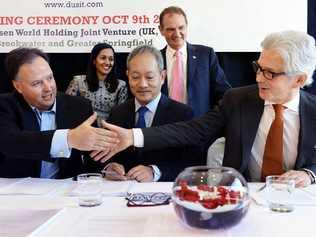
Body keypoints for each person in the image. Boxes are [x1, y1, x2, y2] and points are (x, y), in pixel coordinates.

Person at [97, 31, 316, 187]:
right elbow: (192, 131)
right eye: (258, 68)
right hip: (241, 200)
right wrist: (134, 136)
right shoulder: (237, 100)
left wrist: (310, 174)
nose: (258, 78)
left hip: (298, 204)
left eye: (270, 73)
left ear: (299, 79)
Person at [0, 47, 116, 178]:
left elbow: (94, 155)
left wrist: (107, 168)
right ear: (18, 86)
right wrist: (69, 138)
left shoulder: (79, 106)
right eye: (37, 83)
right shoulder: (5, 105)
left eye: (50, 78)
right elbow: (11, 142)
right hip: (16, 193)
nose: (48, 88)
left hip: (66, 192)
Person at [100, 45, 203, 182]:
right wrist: (109, 167)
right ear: (128, 76)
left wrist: (155, 172)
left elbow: (193, 164)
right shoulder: (117, 113)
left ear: (162, 76)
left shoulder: (183, 114)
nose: (142, 84)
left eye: (149, 77)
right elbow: (102, 156)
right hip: (122, 195)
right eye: (135, 77)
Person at [158, 6, 231, 117]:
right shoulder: (154, 59)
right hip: (165, 127)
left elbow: (224, 93)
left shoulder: (206, 55)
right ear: (161, 30)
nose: (177, 34)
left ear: (187, 27)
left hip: (198, 127)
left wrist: (213, 119)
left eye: (181, 28)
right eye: (171, 29)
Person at [66, 43, 128, 125]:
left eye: (111, 59)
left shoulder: (121, 85)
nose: (107, 62)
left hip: (109, 132)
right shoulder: (78, 81)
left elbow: (121, 116)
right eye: (103, 58)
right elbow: (67, 109)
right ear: (94, 61)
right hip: (82, 129)